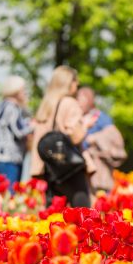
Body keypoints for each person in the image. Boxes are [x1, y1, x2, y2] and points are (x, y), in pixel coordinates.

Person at [30, 66, 96, 207]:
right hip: (70, 166)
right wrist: (85, 125)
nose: (77, 87)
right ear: (68, 83)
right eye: (75, 83)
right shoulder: (70, 103)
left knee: (55, 216)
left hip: (51, 168)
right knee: (82, 212)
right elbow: (75, 136)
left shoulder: (46, 105)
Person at [77, 86, 127, 193]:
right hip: (80, 167)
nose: (79, 103)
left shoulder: (100, 118)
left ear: (89, 100)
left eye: (82, 100)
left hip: (98, 170)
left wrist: (95, 138)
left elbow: (115, 138)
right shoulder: (76, 117)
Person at [0, 75, 34, 193]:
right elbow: (18, 132)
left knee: (2, 192)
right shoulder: (12, 108)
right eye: (23, 90)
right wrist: (33, 126)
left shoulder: (1, 105)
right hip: (9, 157)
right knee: (9, 193)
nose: (25, 93)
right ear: (16, 91)